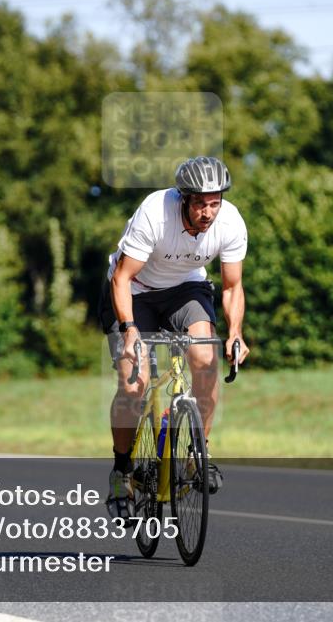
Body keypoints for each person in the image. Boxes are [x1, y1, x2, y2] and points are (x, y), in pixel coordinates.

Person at [99, 156, 250, 519]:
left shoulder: (230, 223)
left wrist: (236, 334)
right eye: (200, 203)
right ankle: (122, 470)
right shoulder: (155, 212)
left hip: (186, 289)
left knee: (205, 361)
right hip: (134, 291)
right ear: (183, 198)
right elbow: (121, 279)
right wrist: (130, 331)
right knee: (134, 385)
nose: (208, 212)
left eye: (215, 202)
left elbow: (232, 288)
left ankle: (199, 455)